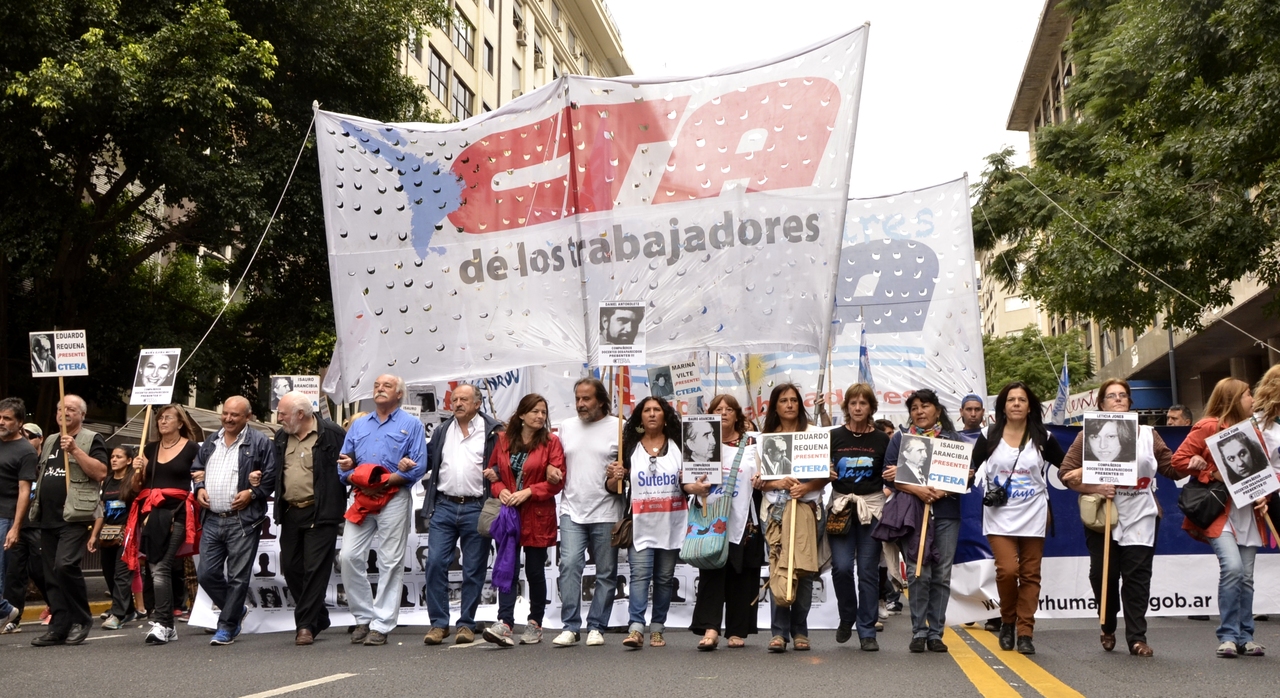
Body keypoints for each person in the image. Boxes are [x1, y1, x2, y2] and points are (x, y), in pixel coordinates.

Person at [1060, 379, 1179, 658]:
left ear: (1129, 402)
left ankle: (1137, 638)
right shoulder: (1087, 435)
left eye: (1123, 396)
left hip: (1141, 516)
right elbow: (1065, 474)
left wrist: (1193, 461)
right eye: (1111, 396)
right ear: (1101, 404)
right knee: (1104, 575)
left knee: (1137, 578)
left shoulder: (1148, 434)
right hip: (1104, 516)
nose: (1118, 400)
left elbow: (1171, 468)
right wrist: (1094, 486)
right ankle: (1108, 623)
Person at [1171, 377, 1267, 658]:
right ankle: (1227, 635)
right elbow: (1179, 461)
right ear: (1234, 399)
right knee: (1234, 569)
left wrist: (1264, 496)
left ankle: (1245, 636)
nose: (1253, 399)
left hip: (1247, 511)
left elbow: (1261, 472)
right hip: (1219, 512)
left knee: (1246, 577)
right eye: (1248, 394)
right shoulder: (1208, 427)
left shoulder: (1252, 430)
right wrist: (1202, 470)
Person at [971, 382, 1064, 656]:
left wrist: (1088, 476)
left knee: (1030, 575)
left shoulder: (1043, 437)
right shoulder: (988, 435)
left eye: (1022, 399)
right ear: (1003, 406)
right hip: (999, 516)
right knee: (1008, 570)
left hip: (1034, 513)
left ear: (1029, 405)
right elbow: (969, 469)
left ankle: (1025, 632)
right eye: (1011, 399)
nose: (1016, 404)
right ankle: (1007, 620)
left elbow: (1068, 465)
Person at [337, 375, 426, 646]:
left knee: (390, 561)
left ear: (399, 394)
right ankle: (363, 617)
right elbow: (343, 464)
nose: (379, 389)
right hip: (362, 497)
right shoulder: (359, 424)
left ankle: (382, 624)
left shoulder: (412, 425)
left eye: (386, 386)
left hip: (394, 498)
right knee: (348, 556)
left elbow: (419, 465)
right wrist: (352, 474)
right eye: (376, 386)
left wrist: (386, 481)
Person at [481, 393, 565, 647]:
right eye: (534, 412)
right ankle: (505, 622)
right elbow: (494, 475)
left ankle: (534, 622)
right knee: (507, 565)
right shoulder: (504, 440)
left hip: (538, 514)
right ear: (521, 415)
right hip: (508, 513)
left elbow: (558, 481)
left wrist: (529, 491)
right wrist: (501, 491)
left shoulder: (552, 442)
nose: (540, 416)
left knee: (535, 570)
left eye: (543, 412)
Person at [883, 388, 963, 654]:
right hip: (913, 515)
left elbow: (965, 477)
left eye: (925, 406)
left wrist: (941, 490)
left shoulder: (954, 440)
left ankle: (936, 633)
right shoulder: (900, 439)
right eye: (914, 407)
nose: (919, 411)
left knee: (941, 574)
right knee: (919, 573)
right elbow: (888, 475)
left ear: (937, 410)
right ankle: (919, 630)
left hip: (946, 515)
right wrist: (918, 490)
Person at [422, 384, 502, 646]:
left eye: (463, 399)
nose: (457, 403)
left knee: (473, 568)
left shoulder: (493, 431)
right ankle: (438, 624)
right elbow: (429, 460)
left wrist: (497, 476)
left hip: (477, 506)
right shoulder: (443, 430)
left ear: (477, 403)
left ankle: (466, 623)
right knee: (434, 563)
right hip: (444, 505)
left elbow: (505, 465)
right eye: (454, 399)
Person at [192, 396, 277, 646]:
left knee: (238, 577)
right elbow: (197, 468)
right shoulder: (211, 441)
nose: (228, 419)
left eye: (235, 415)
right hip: (212, 519)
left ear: (247, 417)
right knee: (206, 574)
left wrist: (252, 493)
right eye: (225, 413)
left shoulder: (260, 442)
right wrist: (198, 488)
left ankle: (227, 626)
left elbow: (271, 478)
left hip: (243, 521)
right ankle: (236, 610)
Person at [752, 383, 827, 653]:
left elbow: (828, 473)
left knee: (804, 571)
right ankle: (778, 633)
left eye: (794, 400)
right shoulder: (764, 440)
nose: (790, 405)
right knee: (779, 569)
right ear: (775, 406)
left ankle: (800, 631)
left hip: (808, 510)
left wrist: (806, 487)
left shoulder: (815, 434)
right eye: (784, 400)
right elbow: (758, 482)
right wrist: (777, 483)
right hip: (775, 513)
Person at [30, 395, 108, 647]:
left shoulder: (91, 439)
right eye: (60, 409)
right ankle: (59, 625)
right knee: (51, 574)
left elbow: (100, 472)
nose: (64, 413)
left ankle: (82, 619)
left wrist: (74, 449)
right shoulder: (51, 439)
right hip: (48, 516)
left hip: (75, 516)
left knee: (65, 566)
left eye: (71, 409)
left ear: (82, 415)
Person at [552, 378, 622, 648]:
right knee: (569, 566)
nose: (581, 404)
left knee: (605, 572)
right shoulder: (566, 427)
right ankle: (570, 626)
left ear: (601, 401)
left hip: (606, 510)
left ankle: (597, 626)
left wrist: (621, 473)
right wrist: (551, 469)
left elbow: (625, 469)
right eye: (578, 399)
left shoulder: (619, 427)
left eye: (587, 399)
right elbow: (555, 459)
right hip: (571, 508)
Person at [272, 391, 346, 646]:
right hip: (291, 512)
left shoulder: (333, 434)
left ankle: (304, 625)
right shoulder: (281, 436)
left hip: (321, 512)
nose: (278, 417)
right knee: (292, 568)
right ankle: (320, 616)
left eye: (282, 413)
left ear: (300, 414)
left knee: (315, 570)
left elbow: (347, 468)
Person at [689, 395, 762, 650]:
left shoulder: (752, 444)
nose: (723, 413)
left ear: (737, 414)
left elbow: (764, 474)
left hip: (743, 519)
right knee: (711, 571)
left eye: (729, 409)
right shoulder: (699, 445)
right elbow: (686, 481)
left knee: (741, 573)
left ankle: (737, 629)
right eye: (718, 409)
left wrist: (762, 480)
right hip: (710, 516)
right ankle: (711, 628)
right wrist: (694, 486)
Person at [824, 384, 891, 651]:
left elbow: (892, 473)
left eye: (863, 403)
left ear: (871, 408)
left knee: (868, 572)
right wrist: (825, 472)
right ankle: (847, 616)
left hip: (871, 509)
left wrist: (890, 482)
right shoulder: (834, 436)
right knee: (840, 567)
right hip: (840, 508)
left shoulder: (882, 440)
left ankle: (866, 630)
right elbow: (818, 468)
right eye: (853, 403)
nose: (858, 408)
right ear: (847, 407)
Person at [127, 404, 202, 644]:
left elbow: (201, 474)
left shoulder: (191, 448)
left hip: (178, 511)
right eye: (160, 418)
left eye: (168, 418)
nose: (162, 421)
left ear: (180, 423)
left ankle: (162, 622)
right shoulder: (150, 448)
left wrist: (201, 477)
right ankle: (167, 624)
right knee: (156, 567)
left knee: (161, 566)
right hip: (153, 512)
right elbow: (138, 487)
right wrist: (137, 471)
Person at [620, 396, 686, 649]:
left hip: (671, 523)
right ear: (640, 417)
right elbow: (613, 486)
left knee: (664, 578)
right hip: (640, 523)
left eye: (656, 410)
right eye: (646, 410)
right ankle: (636, 627)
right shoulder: (629, 447)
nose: (651, 414)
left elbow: (691, 484)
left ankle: (657, 628)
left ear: (665, 415)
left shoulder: (679, 446)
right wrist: (615, 476)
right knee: (639, 576)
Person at [3, 423, 48, 633]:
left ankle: (57, 607)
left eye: (30, 436)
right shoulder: (15, 458)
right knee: (14, 571)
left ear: (40, 439)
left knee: (39, 570)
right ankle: (13, 615)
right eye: (23, 436)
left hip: (38, 523)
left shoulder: (46, 464)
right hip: (17, 522)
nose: (26, 440)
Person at [0, 398, 38, 632]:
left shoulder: (26, 451)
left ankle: (4, 609)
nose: (1, 422)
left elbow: (25, 491)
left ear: (20, 422)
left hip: (4, 516)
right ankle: (5, 609)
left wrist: (15, 526)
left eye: (7, 418)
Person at [90, 445, 138, 630]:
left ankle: (117, 614)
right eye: (112, 456)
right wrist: (94, 535)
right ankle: (129, 609)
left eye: (119, 456)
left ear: (129, 460)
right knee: (109, 574)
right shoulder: (107, 481)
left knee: (121, 574)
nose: (114, 459)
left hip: (127, 534)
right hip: (107, 534)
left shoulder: (133, 480)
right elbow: (100, 510)